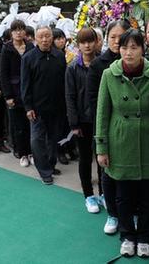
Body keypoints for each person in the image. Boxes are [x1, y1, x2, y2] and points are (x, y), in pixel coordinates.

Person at [95, 29, 149, 258]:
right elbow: (102, 113)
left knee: (148, 197)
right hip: (120, 144)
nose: (129, 52)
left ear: (142, 49)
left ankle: (146, 237)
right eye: (124, 47)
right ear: (118, 49)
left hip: (148, 142)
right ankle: (127, 235)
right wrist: (101, 148)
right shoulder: (109, 74)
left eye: (134, 47)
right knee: (124, 197)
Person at [86, 19, 130, 235]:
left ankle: (132, 212)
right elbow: (94, 102)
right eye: (112, 37)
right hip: (108, 128)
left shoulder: (138, 62)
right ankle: (113, 214)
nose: (116, 41)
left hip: (132, 130)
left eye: (120, 37)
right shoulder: (97, 65)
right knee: (108, 173)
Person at [21, 25, 66, 185]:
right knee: (37, 140)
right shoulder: (28, 58)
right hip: (36, 108)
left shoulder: (59, 56)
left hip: (56, 106)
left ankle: (50, 165)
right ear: (35, 38)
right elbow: (25, 85)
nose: (45, 39)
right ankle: (44, 171)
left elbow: (63, 82)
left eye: (48, 36)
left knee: (53, 139)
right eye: (41, 37)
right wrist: (28, 107)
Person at [65, 27, 100, 213]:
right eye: (83, 41)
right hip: (82, 120)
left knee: (102, 158)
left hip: (101, 118)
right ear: (78, 44)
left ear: (96, 42)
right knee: (85, 158)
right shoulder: (72, 67)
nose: (87, 45)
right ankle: (89, 195)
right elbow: (69, 96)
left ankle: (104, 194)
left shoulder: (103, 63)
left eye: (90, 41)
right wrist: (74, 123)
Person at [0, 20, 35, 167]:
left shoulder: (31, 46)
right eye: (15, 30)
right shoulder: (6, 49)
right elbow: (4, 73)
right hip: (14, 92)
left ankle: (33, 152)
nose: (18, 32)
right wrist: (7, 96)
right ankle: (23, 154)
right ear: (11, 32)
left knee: (32, 125)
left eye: (21, 29)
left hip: (30, 91)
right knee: (18, 126)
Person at [52, 27, 78, 165]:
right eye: (57, 38)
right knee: (59, 126)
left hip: (70, 93)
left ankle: (71, 148)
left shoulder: (70, 54)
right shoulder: (53, 56)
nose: (61, 41)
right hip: (58, 96)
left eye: (62, 38)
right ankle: (60, 151)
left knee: (70, 125)